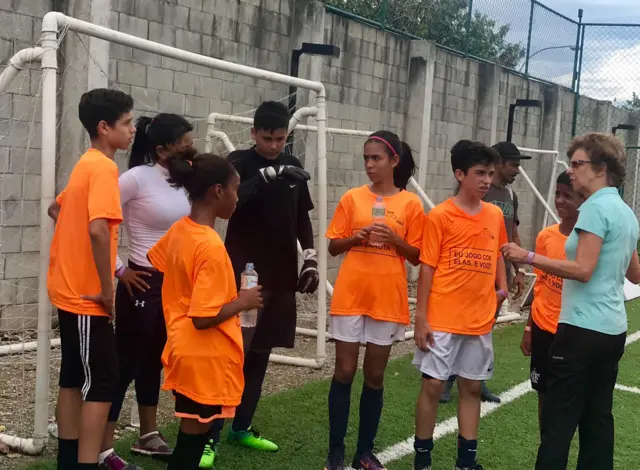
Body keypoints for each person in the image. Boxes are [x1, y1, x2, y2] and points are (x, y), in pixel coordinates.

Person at [502, 132, 640, 470]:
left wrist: (527, 255)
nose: (572, 171)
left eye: (577, 164)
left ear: (600, 168)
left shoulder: (594, 207)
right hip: (611, 331)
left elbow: (582, 270)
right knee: (597, 421)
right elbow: (635, 274)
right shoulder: (625, 212)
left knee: (558, 425)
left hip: (580, 331)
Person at [200, 100, 318, 464]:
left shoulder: (293, 165)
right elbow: (229, 205)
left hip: (281, 273)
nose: (273, 146)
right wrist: (262, 178)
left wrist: (310, 258)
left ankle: (242, 426)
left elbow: (301, 217)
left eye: (280, 139)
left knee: (262, 352)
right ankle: (210, 436)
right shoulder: (237, 164)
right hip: (243, 272)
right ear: (253, 134)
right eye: (267, 138)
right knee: (234, 352)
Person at [146, 153, 263, 470]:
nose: (237, 198)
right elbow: (202, 316)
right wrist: (243, 300)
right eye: (235, 189)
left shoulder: (180, 230)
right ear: (217, 191)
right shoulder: (210, 245)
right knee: (193, 441)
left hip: (183, 349)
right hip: (202, 357)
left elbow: (157, 261)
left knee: (192, 435)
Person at [98, 113, 195, 470]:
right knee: (126, 364)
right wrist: (120, 270)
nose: (191, 147)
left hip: (173, 284)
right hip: (141, 281)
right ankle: (103, 449)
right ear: (162, 149)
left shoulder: (183, 179)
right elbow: (94, 221)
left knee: (155, 359)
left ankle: (148, 435)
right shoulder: (136, 178)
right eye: (185, 142)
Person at [324, 131, 423, 470]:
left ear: (394, 161)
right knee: (344, 370)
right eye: (366, 157)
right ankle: (335, 451)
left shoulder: (410, 203)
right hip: (351, 294)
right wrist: (355, 237)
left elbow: (417, 256)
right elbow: (333, 246)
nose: (369, 164)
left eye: (376, 158)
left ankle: (364, 452)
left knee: (375, 376)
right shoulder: (352, 198)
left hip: (386, 298)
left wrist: (396, 239)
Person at [46, 88, 135, 470]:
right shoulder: (104, 168)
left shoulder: (87, 164)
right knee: (102, 383)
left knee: (72, 378)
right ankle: (84, 463)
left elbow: (57, 207)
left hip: (70, 290)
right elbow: (99, 230)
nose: (132, 130)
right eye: (127, 123)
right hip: (86, 297)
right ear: (104, 127)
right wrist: (106, 288)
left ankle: (69, 461)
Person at [413, 140, 508, 470]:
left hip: (479, 319)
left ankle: (466, 461)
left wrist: (502, 287)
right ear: (459, 174)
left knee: (471, 386)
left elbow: (497, 252)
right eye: (480, 173)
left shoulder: (495, 214)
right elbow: (427, 267)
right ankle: (422, 458)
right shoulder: (440, 215)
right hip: (442, 317)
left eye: (490, 174)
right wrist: (421, 317)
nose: (486, 180)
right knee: (433, 386)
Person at [441, 141, 531, 405]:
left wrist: (519, 269)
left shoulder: (511, 196)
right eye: (514, 164)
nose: (517, 170)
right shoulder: (473, 188)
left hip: (495, 271)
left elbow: (511, 234)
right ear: (499, 162)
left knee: (484, 327)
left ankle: (476, 381)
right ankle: (446, 380)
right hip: (468, 271)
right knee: (458, 326)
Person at [519, 171, 582, 432]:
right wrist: (529, 328)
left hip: (573, 331)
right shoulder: (546, 236)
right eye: (557, 194)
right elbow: (542, 285)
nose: (560, 200)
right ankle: (548, 447)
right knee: (543, 394)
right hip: (544, 327)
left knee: (570, 400)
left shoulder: (587, 242)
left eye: (568, 195)